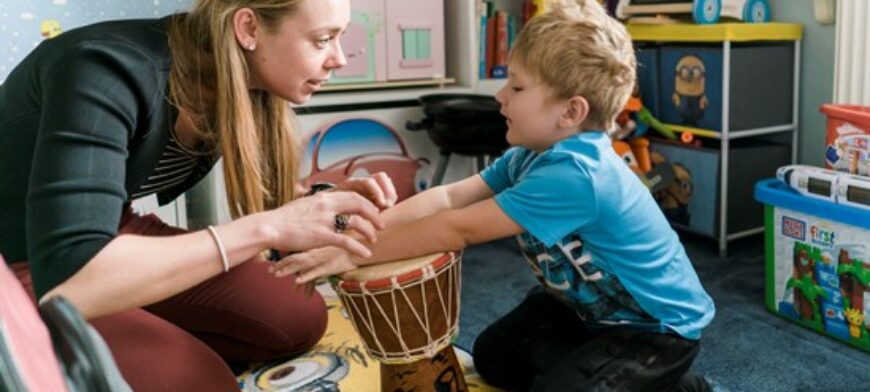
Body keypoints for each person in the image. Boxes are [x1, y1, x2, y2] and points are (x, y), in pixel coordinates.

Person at [272, 0, 716, 390]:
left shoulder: (578, 174)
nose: (501, 96)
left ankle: (676, 385)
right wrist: (358, 232)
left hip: (656, 330)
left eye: (517, 87)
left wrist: (354, 254)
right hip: (587, 313)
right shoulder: (529, 155)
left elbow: (456, 228)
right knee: (494, 358)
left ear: (571, 111)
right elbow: (447, 200)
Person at [0, 0, 397, 390]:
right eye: (323, 39)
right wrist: (268, 227)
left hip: (109, 229)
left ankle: (134, 332)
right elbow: (72, 272)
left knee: (297, 316)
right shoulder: (105, 70)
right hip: (27, 258)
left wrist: (326, 206)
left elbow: (280, 212)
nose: (339, 59)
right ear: (248, 29)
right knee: (201, 380)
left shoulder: (235, 77)